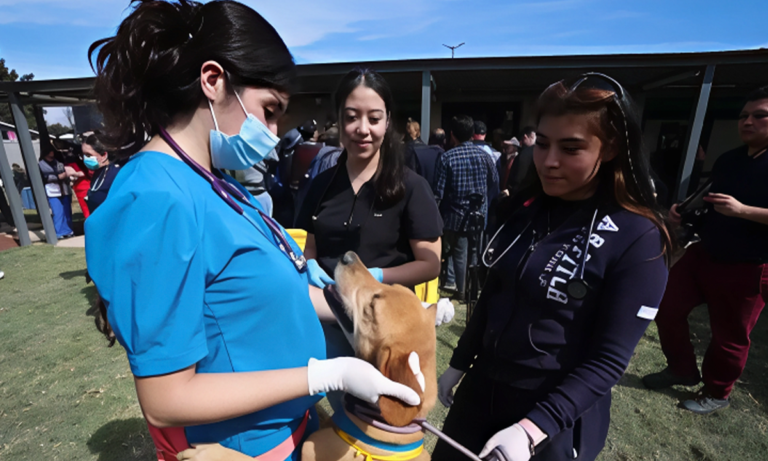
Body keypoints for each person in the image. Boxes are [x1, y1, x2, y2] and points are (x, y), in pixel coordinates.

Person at [84, 2, 419, 460]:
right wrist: (326, 375)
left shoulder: (216, 183)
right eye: (270, 110)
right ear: (213, 80)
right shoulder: (158, 199)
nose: (275, 132)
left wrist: (380, 309)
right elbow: (166, 399)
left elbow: (265, 293)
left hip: (290, 429)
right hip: (243, 448)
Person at [433, 73, 672, 461]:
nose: (549, 161)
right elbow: (494, 294)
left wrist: (531, 430)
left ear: (611, 147)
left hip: (553, 413)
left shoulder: (638, 236)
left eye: (571, 148)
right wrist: (460, 362)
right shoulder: (525, 210)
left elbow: (609, 360)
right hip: (482, 389)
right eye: (542, 144)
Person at [296, 68, 443, 357]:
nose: (363, 129)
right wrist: (310, 267)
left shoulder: (411, 187)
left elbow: (430, 264)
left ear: (387, 122)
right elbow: (311, 246)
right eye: (351, 117)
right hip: (328, 321)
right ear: (339, 121)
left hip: (387, 329)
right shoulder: (322, 185)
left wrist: (375, 276)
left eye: (374, 119)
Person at [642, 86, 768, 414]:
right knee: (665, 305)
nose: (748, 122)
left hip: (749, 265)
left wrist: (744, 211)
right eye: (743, 116)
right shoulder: (730, 159)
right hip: (705, 252)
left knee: (729, 335)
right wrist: (682, 212)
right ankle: (681, 368)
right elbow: (709, 200)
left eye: (760, 116)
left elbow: (735, 207)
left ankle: (717, 392)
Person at [434, 115, 499, 297]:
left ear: (452, 134)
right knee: (477, 252)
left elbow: (439, 191)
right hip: (479, 213)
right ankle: (475, 289)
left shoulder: (447, 157)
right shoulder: (485, 156)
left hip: (455, 214)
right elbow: (494, 181)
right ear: (472, 134)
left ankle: (462, 291)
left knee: (459, 254)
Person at [38, 147, 77, 239]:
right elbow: (43, 178)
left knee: (67, 212)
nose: (51, 157)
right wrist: (57, 177)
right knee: (58, 212)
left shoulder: (59, 162)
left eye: (53, 155)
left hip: (65, 190)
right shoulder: (40, 165)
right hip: (52, 191)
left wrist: (68, 176)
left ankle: (68, 231)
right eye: (49, 156)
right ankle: (59, 232)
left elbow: (66, 174)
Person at [82, 132, 121, 214]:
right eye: (84, 155)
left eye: (88, 155)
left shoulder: (115, 174)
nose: (85, 158)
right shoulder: (98, 173)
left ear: (104, 155)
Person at [506, 125, 537, 198]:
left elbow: (517, 179)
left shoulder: (524, 155)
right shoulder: (541, 153)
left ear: (525, 137)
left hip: (521, 195)